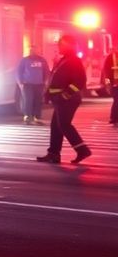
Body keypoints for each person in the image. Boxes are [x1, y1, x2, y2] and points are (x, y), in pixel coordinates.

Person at [37, 35, 92, 164]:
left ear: (68, 45)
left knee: (64, 125)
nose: (59, 47)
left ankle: (82, 150)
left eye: (61, 45)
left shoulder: (73, 60)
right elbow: (54, 80)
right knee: (56, 126)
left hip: (68, 100)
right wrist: (48, 94)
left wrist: (66, 95)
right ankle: (53, 154)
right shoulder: (64, 60)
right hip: (60, 99)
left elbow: (80, 81)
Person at [17, 47, 50, 124]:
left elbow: (46, 71)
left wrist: (45, 81)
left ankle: (37, 116)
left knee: (38, 100)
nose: (33, 52)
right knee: (28, 100)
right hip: (27, 84)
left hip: (39, 84)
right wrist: (20, 82)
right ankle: (27, 116)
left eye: (35, 50)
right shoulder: (24, 60)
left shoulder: (42, 60)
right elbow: (19, 71)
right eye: (32, 50)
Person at [103, 49, 118, 126]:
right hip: (114, 84)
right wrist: (108, 85)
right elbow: (106, 72)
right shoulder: (110, 57)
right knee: (117, 100)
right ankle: (113, 118)